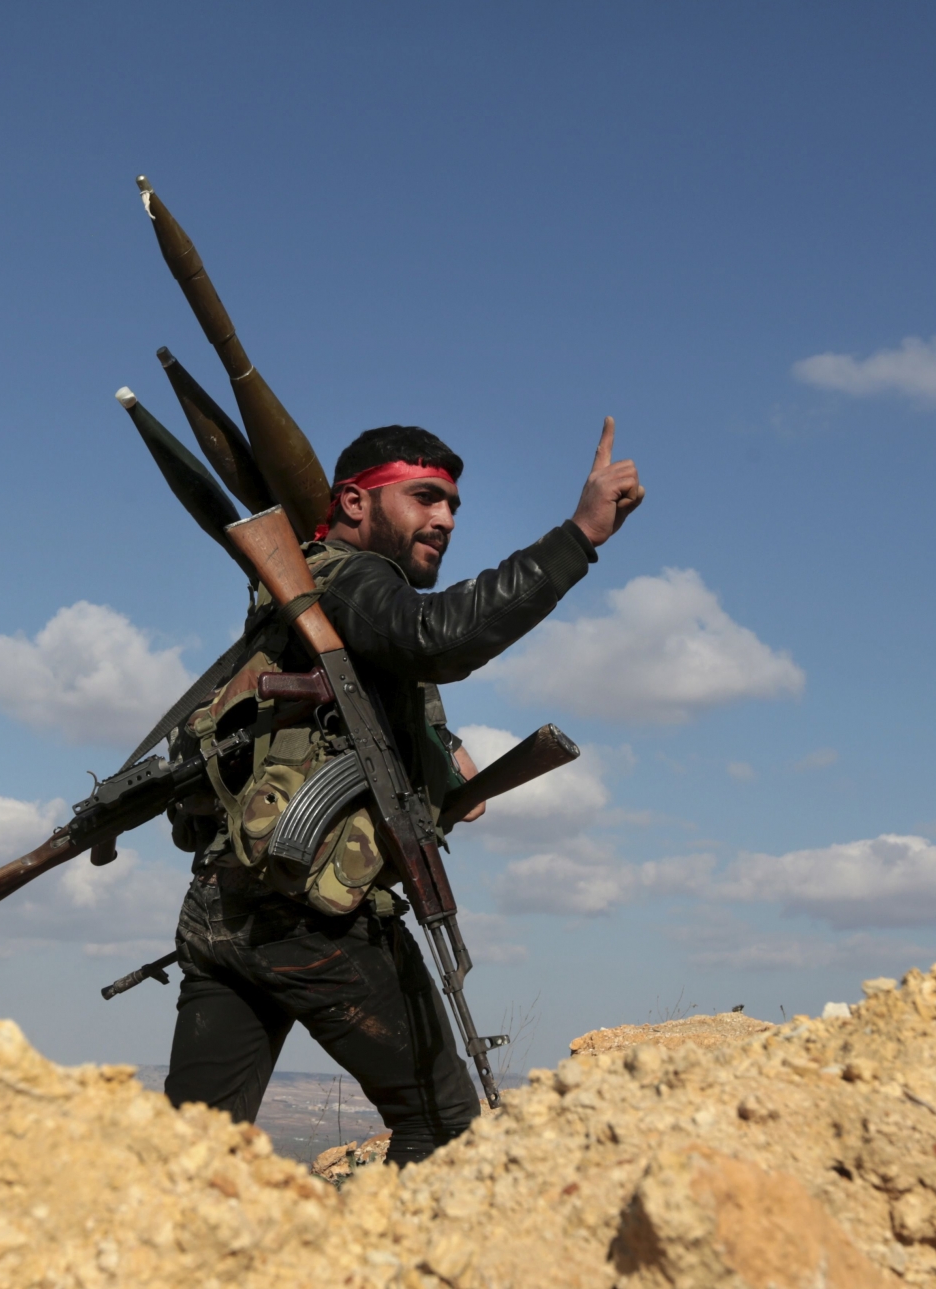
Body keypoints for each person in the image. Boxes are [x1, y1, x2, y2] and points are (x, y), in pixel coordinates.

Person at [161, 417, 644, 1164]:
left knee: (186, 1157)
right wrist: (579, 535)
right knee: (445, 1131)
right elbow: (435, 636)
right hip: (312, 922)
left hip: (228, 914)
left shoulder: (312, 598)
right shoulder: (351, 576)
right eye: (423, 497)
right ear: (355, 503)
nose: (446, 519)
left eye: (452, 505)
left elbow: (364, 698)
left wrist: (443, 762)